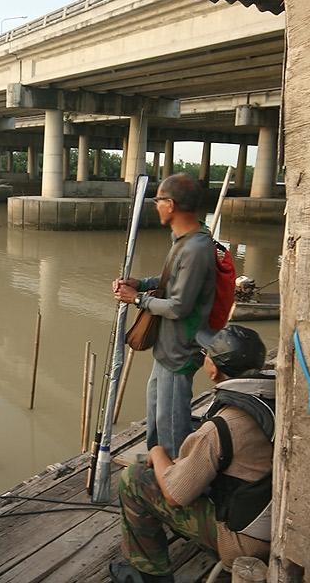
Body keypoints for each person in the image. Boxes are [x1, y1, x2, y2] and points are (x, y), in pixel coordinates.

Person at [109, 325, 275, 583]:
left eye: (206, 355)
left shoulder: (222, 425)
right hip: (271, 522)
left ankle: (149, 573)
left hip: (245, 544)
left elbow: (176, 494)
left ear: (213, 369)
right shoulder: (274, 401)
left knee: (135, 478)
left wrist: (157, 451)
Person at [113, 173, 215, 457]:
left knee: (172, 420)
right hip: (166, 346)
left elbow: (179, 306)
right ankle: (158, 461)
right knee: (157, 409)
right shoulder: (183, 241)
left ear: (170, 204)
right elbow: (171, 279)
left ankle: (175, 478)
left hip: (180, 349)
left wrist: (138, 299)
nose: (156, 206)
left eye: (158, 200)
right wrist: (141, 284)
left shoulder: (196, 248)